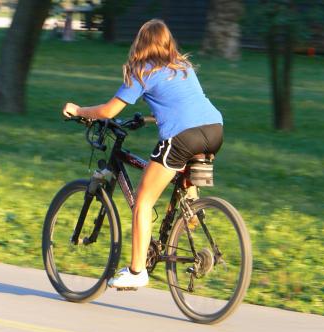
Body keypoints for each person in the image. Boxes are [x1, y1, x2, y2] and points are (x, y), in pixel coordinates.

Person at [62, 19, 223, 288]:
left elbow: (108, 111)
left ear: (141, 43)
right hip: (215, 131)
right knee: (183, 173)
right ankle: (192, 209)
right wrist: (149, 118)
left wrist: (78, 111)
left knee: (143, 202)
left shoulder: (143, 70)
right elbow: (180, 103)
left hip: (183, 136)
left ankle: (137, 272)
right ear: (167, 42)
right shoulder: (182, 67)